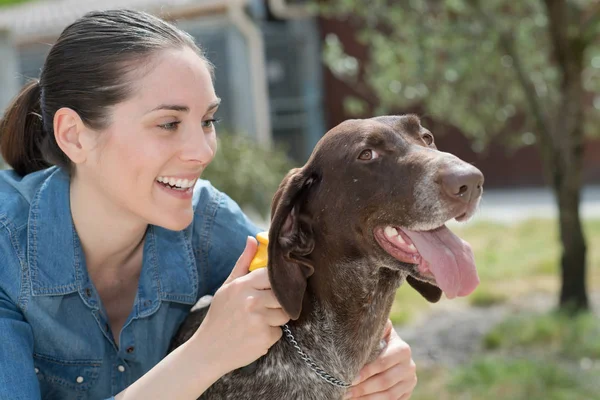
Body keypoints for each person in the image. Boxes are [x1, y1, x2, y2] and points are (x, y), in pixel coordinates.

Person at [0, 9, 417, 400]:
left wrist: (385, 349)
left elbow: (317, 289)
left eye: (207, 121)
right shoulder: (6, 249)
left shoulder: (207, 222)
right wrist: (206, 354)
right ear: (74, 136)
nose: (202, 152)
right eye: (168, 124)